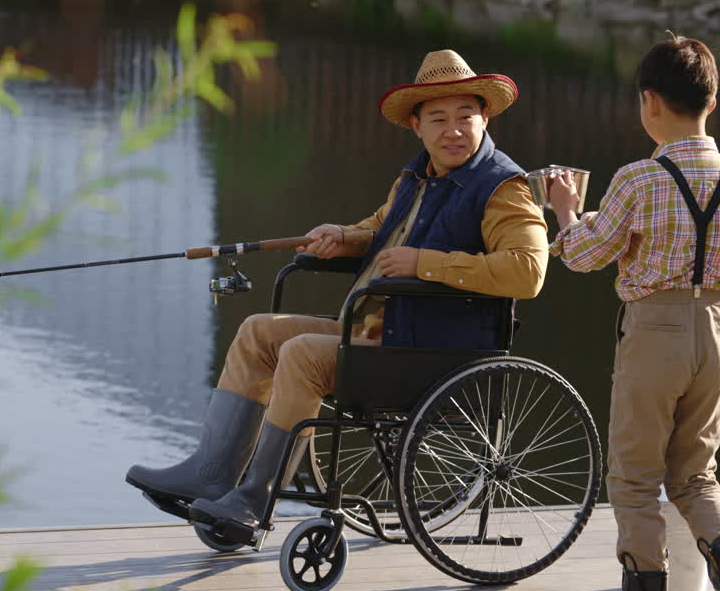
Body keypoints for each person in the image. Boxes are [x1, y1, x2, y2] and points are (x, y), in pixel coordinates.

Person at [125, 49, 549, 534]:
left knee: (303, 353)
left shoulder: (503, 188)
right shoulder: (417, 178)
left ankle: (255, 497)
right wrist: (342, 238)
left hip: (434, 350)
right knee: (258, 331)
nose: (453, 130)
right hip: (381, 332)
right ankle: (212, 473)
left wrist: (425, 264)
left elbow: (527, 272)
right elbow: (382, 230)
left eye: (465, 116)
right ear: (417, 126)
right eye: (438, 119)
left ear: (485, 118)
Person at [546, 34, 720, 591]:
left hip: (655, 333)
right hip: (718, 328)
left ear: (648, 102)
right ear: (712, 103)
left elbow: (585, 255)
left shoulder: (638, 179)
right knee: (696, 474)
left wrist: (566, 211)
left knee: (636, 478)